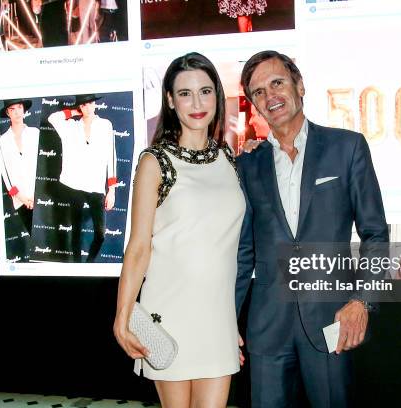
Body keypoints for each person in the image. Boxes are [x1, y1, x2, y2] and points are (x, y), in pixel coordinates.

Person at [236, 50, 388, 407]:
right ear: (254, 104)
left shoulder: (347, 147)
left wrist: (362, 301)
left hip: (331, 320)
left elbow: (376, 235)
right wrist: (227, 323)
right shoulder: (246, 166)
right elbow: (243, 255)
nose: (270, 96)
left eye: (277, 83)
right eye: (258, 92)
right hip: (268, 328)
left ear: (299, 86)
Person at [113, 52, 245, 407]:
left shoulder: (228, 159)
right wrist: (122, 316)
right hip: (169, 315)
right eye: (185, 94)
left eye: (205, 91)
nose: (197, 103)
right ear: (170, 101)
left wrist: (231, 323)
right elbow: (138, 247)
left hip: (217, 318)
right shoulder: (155, 161)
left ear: (218, 95)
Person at [47, 94, 116, 262]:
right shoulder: (70, 126)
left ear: (95, 105)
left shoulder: (105, 125)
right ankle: (78, 269)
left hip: (96, 187)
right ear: (80, 107)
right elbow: (52, 117)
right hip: (74, 186)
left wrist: (111, 190)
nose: (88, 108)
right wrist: (73, 112)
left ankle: (89, 263)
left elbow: (111, 157)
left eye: (90, 103)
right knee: (75, 232)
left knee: (100, 234)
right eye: (83, 105)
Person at [0, 98, 40, 234]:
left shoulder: (35, 133)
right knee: (33, 237)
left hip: (39, 197)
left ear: (24, 110)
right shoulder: (2, 140)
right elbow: (5, 174)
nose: (16, 112)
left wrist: (37, 195)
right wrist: (20, 197)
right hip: (20, 200)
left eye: (19, 108)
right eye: (12, 109)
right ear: (7, 113)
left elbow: (43, 166)